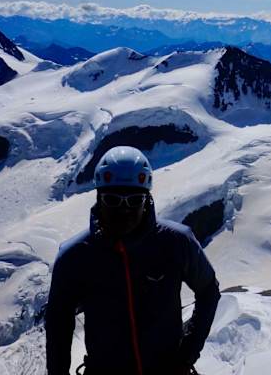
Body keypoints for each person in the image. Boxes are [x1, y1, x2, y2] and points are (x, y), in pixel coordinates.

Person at [45, 146, 221, 375]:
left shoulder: (177, 242)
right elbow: (59, 322)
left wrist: (186, 356)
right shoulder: (75, 257)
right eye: (113, 199)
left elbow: (208, 291)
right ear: (99, 198)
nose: (124, 209)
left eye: (134, 200)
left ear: (147, 200)